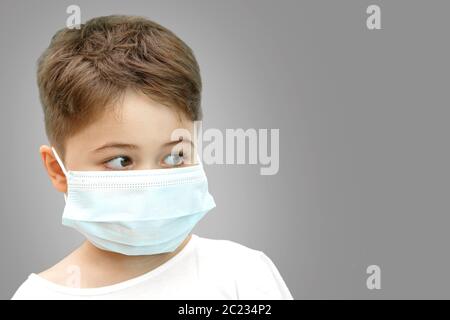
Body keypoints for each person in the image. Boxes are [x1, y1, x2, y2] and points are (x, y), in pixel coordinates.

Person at [12, 15, 293, 300]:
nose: (151, 184)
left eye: (173, 157)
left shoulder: (243, 277)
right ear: (58, 170)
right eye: (121, 161)